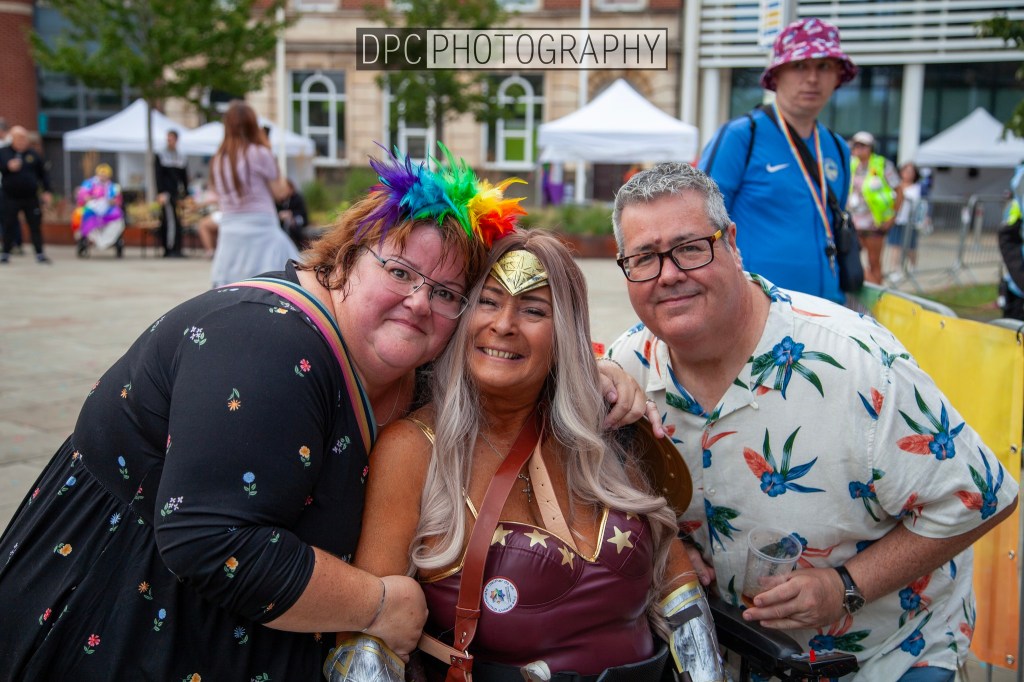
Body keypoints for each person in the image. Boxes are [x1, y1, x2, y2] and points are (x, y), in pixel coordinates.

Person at [0, 142, 647, 681]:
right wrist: (378, 604)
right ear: (344, 260)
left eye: (447, 291)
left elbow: (507, 355)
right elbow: (210, 540)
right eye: (399, 270)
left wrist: (596, 371)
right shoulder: (266, 339)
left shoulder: (413, 363)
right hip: (126, 617)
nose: (420, 302)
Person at [606, 162, 1018, 680]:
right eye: (644, 257)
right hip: (729, 657)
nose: (668, 274)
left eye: (691, 248)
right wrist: (670, 543)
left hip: (886, 656)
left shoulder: (856, 364)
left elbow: (983, 495)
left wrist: (846, 585)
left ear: (732, 242)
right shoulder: (626, 369)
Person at [347, 228, 726, 682]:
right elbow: (368, 648)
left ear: (564, 333)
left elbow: (678, 591)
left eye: (533, 310)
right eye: (488, 302)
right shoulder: (412, 450)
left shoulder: (601, 432)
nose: (504, 324)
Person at [698, 18, 857, 304]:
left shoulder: (837, 148)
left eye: (824, 66)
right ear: (777, 75)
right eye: (799, 66)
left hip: (828, 310)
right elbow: (698, 220)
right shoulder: (742, 136)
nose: (812, 78)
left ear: (837, 78)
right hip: (757, 309)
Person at [209, 101, 300, 287]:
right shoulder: (259, 153)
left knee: (232, 287)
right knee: (281, 282)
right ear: (253, 125)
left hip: (230, 229)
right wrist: (267, 147)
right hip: (261, 226)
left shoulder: (218, 159)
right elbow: (281, 192)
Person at [848, 131, 901, 285]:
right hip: (854, 221)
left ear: (871, 147)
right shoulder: (851, 164)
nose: (858, 148)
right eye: (856, 145)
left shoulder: (882, 164)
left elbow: (899, 190)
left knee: (874, 261)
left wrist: (893, 216)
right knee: (852, 260)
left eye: (862, 145)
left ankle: (878, 297)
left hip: (874, 222)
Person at [0, 125, 53, 264]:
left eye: (24, 138)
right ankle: (6, 252)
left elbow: (43, 174)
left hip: (30, 197)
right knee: (8, 224)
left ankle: (40, 254)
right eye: (19, 138)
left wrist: (47, 191)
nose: (22, 141)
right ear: (12, 138)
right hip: (10, 196)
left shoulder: (33, 154)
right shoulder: (4, 152)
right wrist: (7, 166)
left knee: (35, 225)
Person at [73, 162, 126, 258]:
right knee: (84, 215)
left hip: (108, 212)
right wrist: (88, 198)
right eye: (101, 174)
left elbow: (118, 200)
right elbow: (82, 194)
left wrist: (112, 201)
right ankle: (92, 238)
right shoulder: (89, 183)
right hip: (93, 210)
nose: (103, 176)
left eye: (105, 174)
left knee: (117, 216)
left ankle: (107, 240)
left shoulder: (113, 187)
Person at [885, 162, 923, 283]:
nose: (907, 174)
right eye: (906, 171)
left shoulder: (917, 188)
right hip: (897, 220)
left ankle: (912, 267)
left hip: (910, 221)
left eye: (910, 171)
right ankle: (896, 270)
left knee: (910, 247)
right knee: (896, 246)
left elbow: (919, 204)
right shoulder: (896, 185)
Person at [155, 129, 190, 258]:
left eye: (171, 138)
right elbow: (158, 176)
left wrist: (186, 193)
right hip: (167, 193)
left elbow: (184, 176)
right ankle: (169, 248)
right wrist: (160, 192)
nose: (169, 141)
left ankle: (177, 247)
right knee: (170, 221)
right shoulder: (161, 155)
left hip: (177, 193)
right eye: (168, 138)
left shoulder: (180, 155)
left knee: (178, 221)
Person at [278, 177, 310, 249]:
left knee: (293, 224)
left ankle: (300, 244)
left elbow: (302, 212)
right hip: (286, 221)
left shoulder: (297, 197)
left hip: (299, 218)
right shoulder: (282, 200)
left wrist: (291, 213)